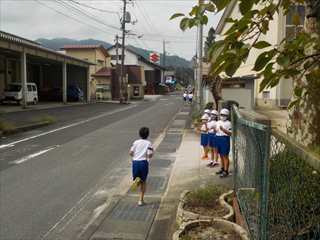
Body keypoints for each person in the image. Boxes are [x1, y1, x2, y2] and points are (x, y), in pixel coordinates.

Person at [129, 127, 154, 206]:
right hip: (143, 163)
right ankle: (141, 200)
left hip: (135, 162)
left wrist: (135, 156)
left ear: (139, 134)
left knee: (137, 178)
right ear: (148, 134)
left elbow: (130, 152)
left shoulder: (136, 142)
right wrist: (152, 153)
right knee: (144, 182)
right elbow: (149, 155)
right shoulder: (148, 143)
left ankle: (136, 182)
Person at [215, 108, 232, 178]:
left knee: (225, 155)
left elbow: (230, 133)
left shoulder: (229, 123)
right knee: (221, 155)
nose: (223, 116)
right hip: (218, 138)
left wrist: (223, 130)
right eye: (221, 115)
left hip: (225, 139)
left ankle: (226, 171)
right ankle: (222, 168)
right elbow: (215, 130)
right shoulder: (218, 122)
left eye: (224, 115)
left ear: (227, 116)